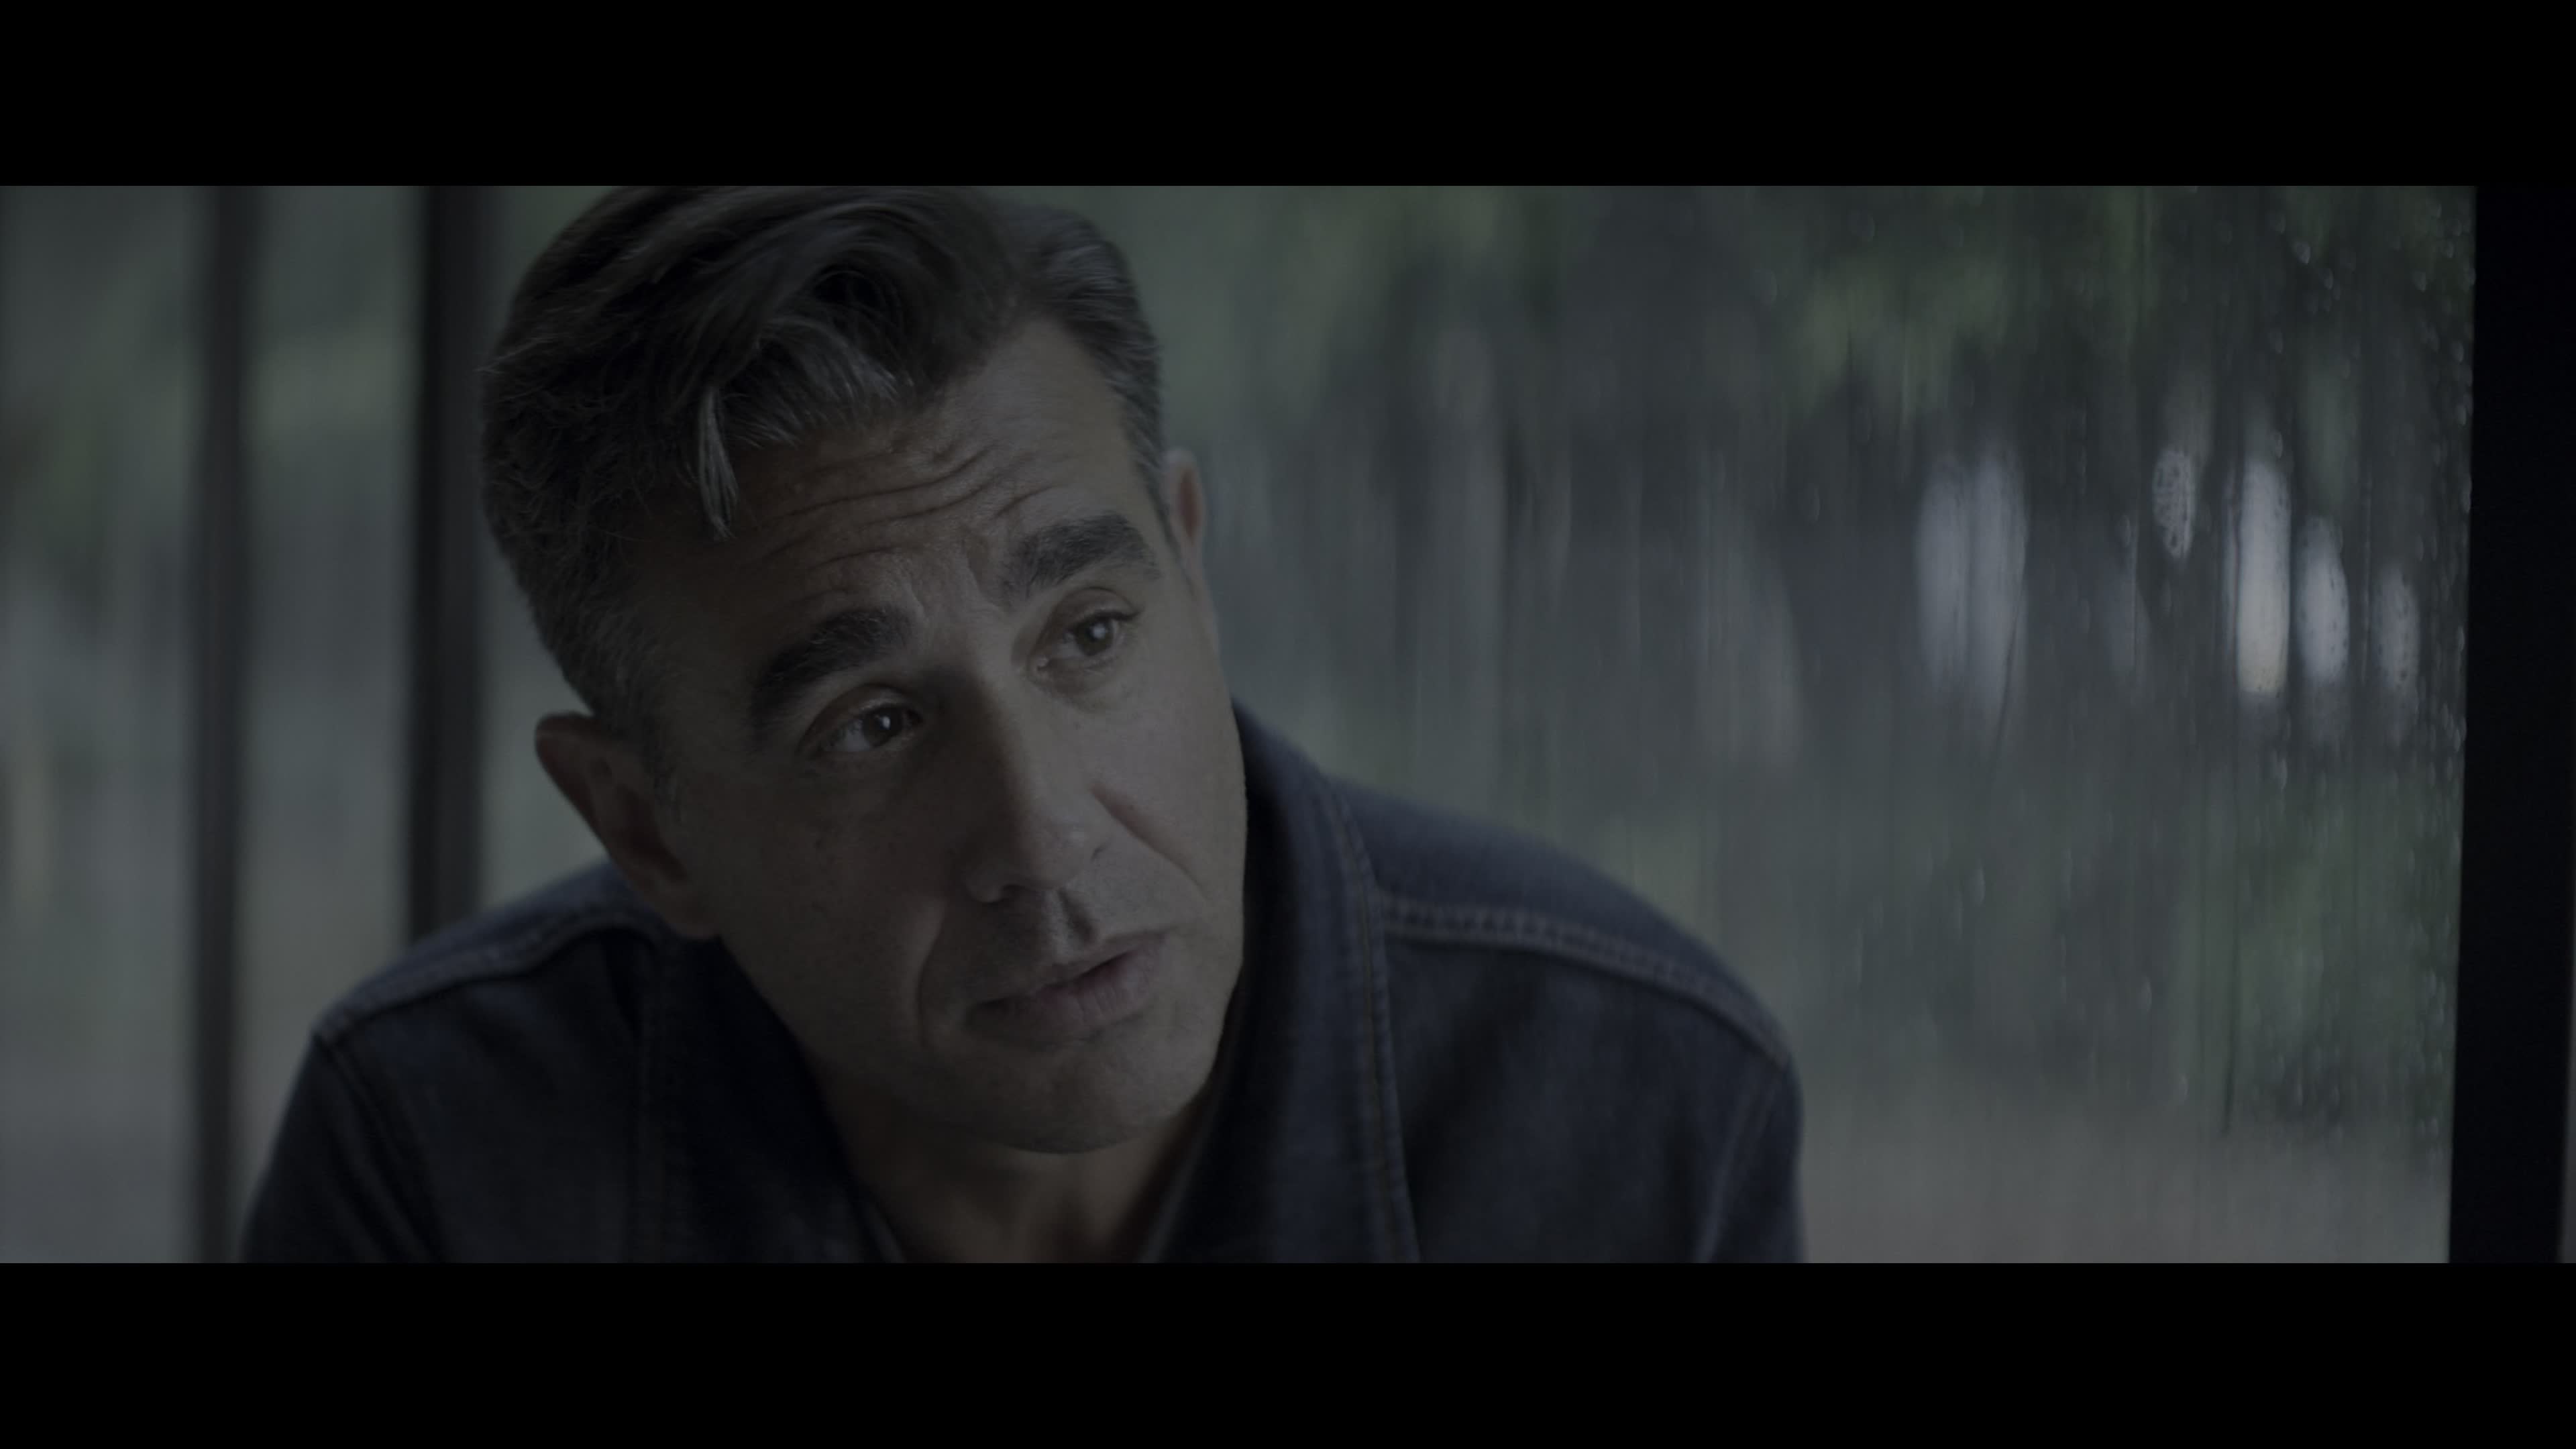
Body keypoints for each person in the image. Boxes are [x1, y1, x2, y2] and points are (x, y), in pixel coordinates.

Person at [242, 186, 1803, 1263]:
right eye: (870, 725)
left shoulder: (1637, 1102)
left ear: (1190, 567)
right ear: (648, 829)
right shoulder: (437, 1154)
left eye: (1091, 634)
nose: (1044, 838)